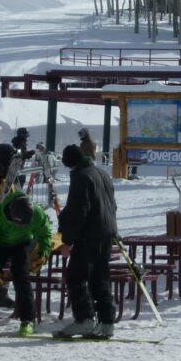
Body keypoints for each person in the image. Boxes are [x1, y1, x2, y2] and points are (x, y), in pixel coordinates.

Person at [55, 142, 119, 339]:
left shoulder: (81, 177)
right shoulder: (101, 173)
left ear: (70, 163)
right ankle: (107, 322)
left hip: (89, 234)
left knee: (76, 277)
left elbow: (78, 211)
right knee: (99, 277)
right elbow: (111, 204)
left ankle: (84, 320)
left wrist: (66, 241)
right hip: (107, 232)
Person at [0, 189, 52, 338]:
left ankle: (27, 320)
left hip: (22, 243)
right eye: (18, 224)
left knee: (21, 275)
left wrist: (44, 253)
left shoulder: (37, 213)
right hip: (0, 243)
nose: (20, 226)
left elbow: (45, 233)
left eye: (24, 224)